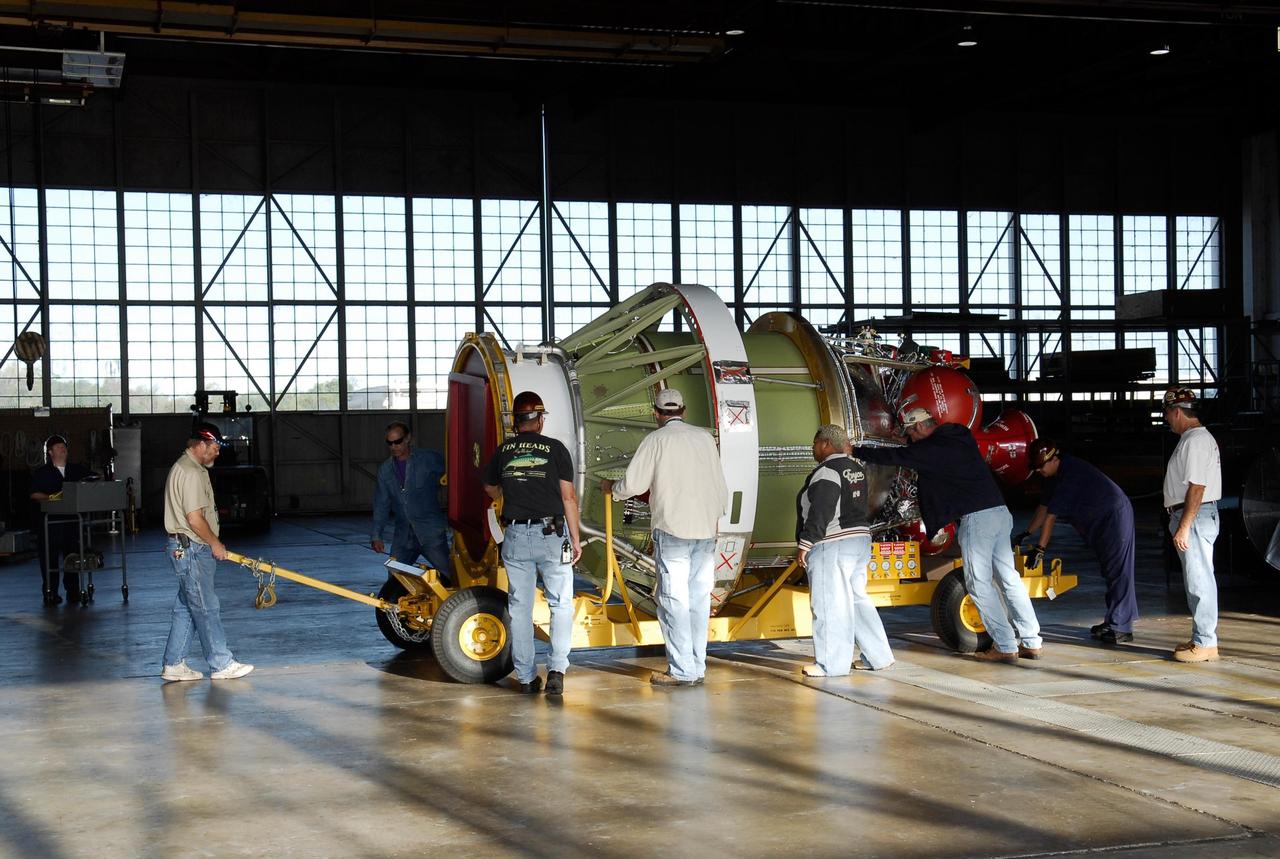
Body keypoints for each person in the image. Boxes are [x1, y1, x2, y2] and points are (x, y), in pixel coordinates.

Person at [854, 407, 1043, 664]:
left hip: (978, 520)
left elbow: (895, 457)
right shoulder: (959, 436)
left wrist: (855, 451)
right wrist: (909, 443)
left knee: (979, 584)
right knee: (1009, 579)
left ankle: (1005, 645)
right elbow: (922, 450)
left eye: (911, 433)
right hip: (999, 512)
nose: (911, 439)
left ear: (919, 427)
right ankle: (1031, 642)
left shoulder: (931, 450)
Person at [602, 388, 728, 688]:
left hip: (673, 530)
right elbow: (719, 485)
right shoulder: (704, 438)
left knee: (673, 600)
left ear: (656, 414)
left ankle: (682, 670)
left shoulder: (656, 440)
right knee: (698, 600)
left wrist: (612, 489)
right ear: (683, 411)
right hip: (705, 530)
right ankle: (696, 664)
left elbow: (634, 484)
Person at [483, 391, 582, 696]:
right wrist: (576, 539)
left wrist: (505, 493)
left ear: (516, 421)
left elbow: (489, 487)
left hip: (516, 536)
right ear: (539, 419)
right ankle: (556, 671)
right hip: (552, 535)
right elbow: (568, 497)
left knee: (520, 608)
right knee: (560, 604)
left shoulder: (503, 451)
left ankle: (526, 678)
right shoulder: (555, 449)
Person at [1018, 439, 1138, 645]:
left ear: (1054, 459)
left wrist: (1040, 548)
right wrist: (1026, 533)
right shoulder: (1054, 476)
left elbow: (1051, 517)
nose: (1038, 471)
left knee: (1119, 570)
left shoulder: (1070, 474)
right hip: (1100, 521)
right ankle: (1114, 620)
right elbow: (1043, 507)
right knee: (1110, 571)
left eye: (1041, 466)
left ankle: (1122, 627)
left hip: (1114, 518)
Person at [160, 422, 253, 682]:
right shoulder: (191, 472)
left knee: (187, 607)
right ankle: (221, 663)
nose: (217, 452)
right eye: (214, 447)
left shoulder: (186, 467)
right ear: (200, 445)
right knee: (206, 607)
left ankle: (174, 663)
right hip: (192, 548)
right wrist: (215, 543)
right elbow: (195, 518)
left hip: (185, 547)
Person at [796, 424, 890, 677]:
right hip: (858, 540)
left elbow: (821, 510)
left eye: (815, 443)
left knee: (830, 604)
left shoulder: (827, 471)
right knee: (857, 600)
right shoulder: (855, 469)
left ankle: (831, 664)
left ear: (826, 443)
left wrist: (806, 543)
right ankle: (878, 656)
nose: (813, 448)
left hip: (832, 544)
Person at [1162, 387, 1223, 663]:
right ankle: (1201, 637)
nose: (1166, 419)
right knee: (1197, 578)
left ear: (1177, 412)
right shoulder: (1193, 439)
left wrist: (1185, 526)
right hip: (1193, 515)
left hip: (1194, 517)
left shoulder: (1195, 440)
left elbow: (1197, 488)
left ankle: (1205, 642)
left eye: (1167, 414)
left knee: (1200, 580)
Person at [372, 421, 452, 584]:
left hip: (430, 533)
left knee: (450, 576)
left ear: (408, 438)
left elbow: (455, 474)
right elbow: (381, 504)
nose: (394, 447)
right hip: (403, 536)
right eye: (389, 443)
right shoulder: (385, 471)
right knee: (394, 579)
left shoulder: (429, 459)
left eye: (397, 442)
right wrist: (376, 535)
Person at [28, 434, 95, 605]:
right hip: (49, 523)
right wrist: (51, 498)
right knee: (49, 559)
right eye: (58, 447)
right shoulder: (42, 473)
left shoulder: (76, 470)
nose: (62, 449)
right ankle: (50, 592)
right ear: (50, 452)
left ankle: (73, 591)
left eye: (64, 446)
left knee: (72, 557)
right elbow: (34, 494)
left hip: (72, 521)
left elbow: (94, 479)